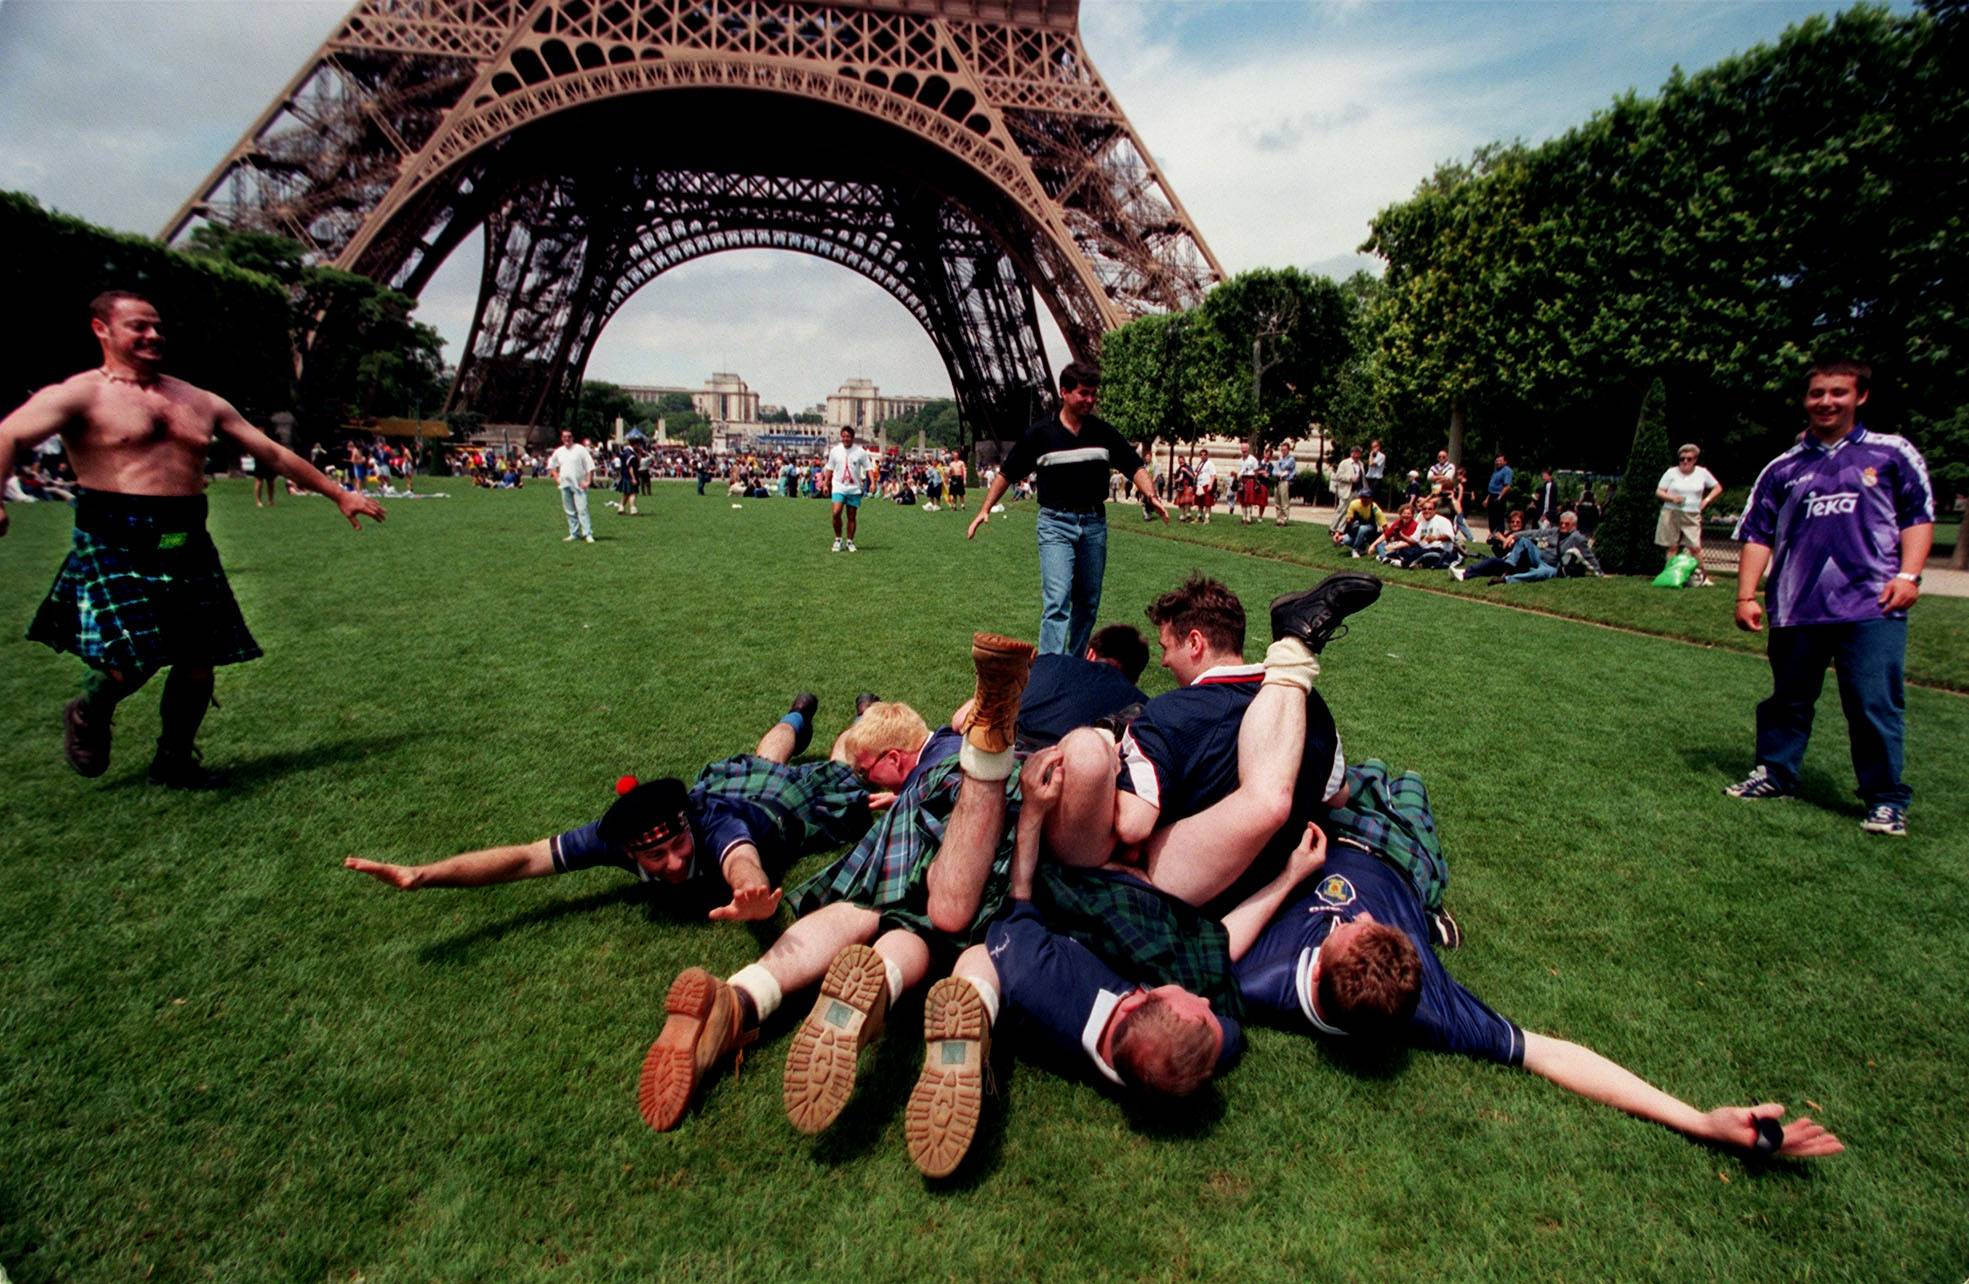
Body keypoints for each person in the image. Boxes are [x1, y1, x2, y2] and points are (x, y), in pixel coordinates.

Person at [1233, 768, 1844, 1165]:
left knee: (1354, 772)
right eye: (1367, 926)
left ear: (1318, 966)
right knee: (1410, 785)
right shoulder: (1431, 1007)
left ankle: (1420, 894)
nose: (1360, 919)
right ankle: (1428, 911)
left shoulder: (1256, 975)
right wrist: (1700, 1121)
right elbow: (1552, 1052)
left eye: (1360, 927)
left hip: (1335, 835)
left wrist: (1290, 875)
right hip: (1406, 861)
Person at [0, 290, 385, 787]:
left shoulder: (197, 400)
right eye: (138, 326)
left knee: (199, 664)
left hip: (185, 538)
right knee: (130, 657)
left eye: (157, 325)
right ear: (102, 330)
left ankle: (175, 757)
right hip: (114, 536)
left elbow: (270, 451)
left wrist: (338, 493)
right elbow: (7, 434)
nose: (153, 335)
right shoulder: (81, 395)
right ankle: (88, 711)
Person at [343, 695, 873, 921]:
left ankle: (863, 718)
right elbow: (527, 859)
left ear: (686, 824)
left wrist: (750, 890)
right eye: (655, 856)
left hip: (780, 809)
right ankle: (797, 713)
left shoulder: (712, 825)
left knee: (844, 770)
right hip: (733, 785)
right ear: (628, 850)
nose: (670, 861)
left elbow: (739, 856)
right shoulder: (616, 835)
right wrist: (423, 875)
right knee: (763, 756)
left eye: (677, 845)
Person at [1725, 359, 1934, 837]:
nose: (1826, 402)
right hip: (1797, 606)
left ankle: (1884, 799)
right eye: (1817, 393)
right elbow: (1758, 534)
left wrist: (1910, 575)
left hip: (1871, 604)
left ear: (1859, 397)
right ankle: (1776, 772)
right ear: (1806, 400)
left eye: (1838, 393)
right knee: (1788, 700)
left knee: (1871, 701)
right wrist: (1745, 596)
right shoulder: (1783, 467)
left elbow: (1917, 517)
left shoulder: (1891, 454)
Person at [966, 361, 1170, 656]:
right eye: (1083, 393)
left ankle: (1072, 664)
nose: (1090, 400)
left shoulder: (1103, 432)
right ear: (1064, 392)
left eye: (1093, 394)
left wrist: (1151, 494)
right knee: (1058, 600)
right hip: (1055, 523)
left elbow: (1132, 464)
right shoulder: (1040, 435)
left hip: (1093, 523)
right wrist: (985, 509)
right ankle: (1050, 669)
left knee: (1088, 601)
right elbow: (1007, 472)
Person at [1455, 510, 1600, 584]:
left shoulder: (1577, 538)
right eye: (1561, 523)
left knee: (1541, 574)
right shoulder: (1555, 531)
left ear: (1574, 526)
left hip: (1552, 566)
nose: (1562, 526)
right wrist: (1514, 536)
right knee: (1524, 540)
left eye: (1566, 524)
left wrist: (1600, 573)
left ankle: (1506, 580)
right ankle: (1509, 568)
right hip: (1538, 557)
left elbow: (1588, 556)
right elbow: (1535, 532)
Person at [1654, 445, 1721, 584]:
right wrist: (1672, 498)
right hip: (1671, 511)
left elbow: (1717, 487)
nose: (1685, 462)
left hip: (1692, 513)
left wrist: (1706, 500)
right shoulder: (1671, 472)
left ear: (1695, 459)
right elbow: (1659, 491)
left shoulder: (1702, 473)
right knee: (1672, 546)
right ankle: (1670, 576)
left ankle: (1704, 577)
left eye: (1689, 459)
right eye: (1682, 459)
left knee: (1695, 546)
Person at [825, 426, 872, 552]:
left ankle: (850, 541)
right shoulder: (835, 451)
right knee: (836, 513)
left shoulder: (860, 451)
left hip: (854, 488)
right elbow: (829, 468)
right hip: (839, 486)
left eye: (848, 437)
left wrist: (872, 482)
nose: (845, 439)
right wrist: (825, 483)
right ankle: (838, 539)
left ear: (852, 438)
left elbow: (868, 467)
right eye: (843, 436)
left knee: (851, 516)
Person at [547, 429, 596, 543]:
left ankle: (587, 533)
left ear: (572, 437)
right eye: (564, 437)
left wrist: (588, 481)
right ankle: (574, 533)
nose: (567, 439)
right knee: (569, 510)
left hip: (579, 485)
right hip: (565, 484)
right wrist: (557, 479)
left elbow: (590, 466)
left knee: (582, 509)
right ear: (562, 438)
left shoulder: (580, 449)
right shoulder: (559, 451)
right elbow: (552, 466)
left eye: (569, 437)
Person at [1485, 454, 1514, 535]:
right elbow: (1492, 487)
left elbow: (1507, 486)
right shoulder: (1496, 471)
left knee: (1498, 518)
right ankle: (1493, 535)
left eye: (1500, 460)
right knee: (1491, 518)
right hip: (1492, 496)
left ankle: (1499, 536)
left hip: (1499, 497)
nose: (1498, 462)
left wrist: (1500, 497)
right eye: (1496, 460)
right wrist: (1487, 499)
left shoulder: (1507, 470)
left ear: (1505, 461)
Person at [1270, 443, 1297, 526]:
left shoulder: (1291, 459)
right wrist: (1278, 472)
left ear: (1288, 450)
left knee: (1284, 501)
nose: (1283, 451)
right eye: (1282, 450)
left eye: (1284, 450)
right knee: (1277, 501)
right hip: (1278, 481)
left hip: (1285, 481)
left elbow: (1285, 466)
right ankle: (1278, 519)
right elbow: (1274, 471)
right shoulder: (1279, 459)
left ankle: (1284, 519)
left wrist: (1280, 466)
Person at [614, 441, 641, 516]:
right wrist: (633, 478)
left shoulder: (625, 452)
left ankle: (621, 508)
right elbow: (630, 467)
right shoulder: (630, 454)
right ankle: (633, 510)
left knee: (626, 493)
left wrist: (639, 453)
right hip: (630, 476)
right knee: (633, 493)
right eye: (638, 444)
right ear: (634, 444)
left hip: (625, 475)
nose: (639, 446)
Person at [1193, 452, 1219, 525]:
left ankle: (1207, 518)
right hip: (1199, 486)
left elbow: (1213, 475)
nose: (1203, 456)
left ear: (1207, 455)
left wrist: (1210, 484)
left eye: (1204, 455)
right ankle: (1199, 517)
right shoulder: (1200, 464)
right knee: (1199, 503)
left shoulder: (1210, 463)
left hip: (1206, 484)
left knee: (1207, 504)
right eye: (1201, 455)